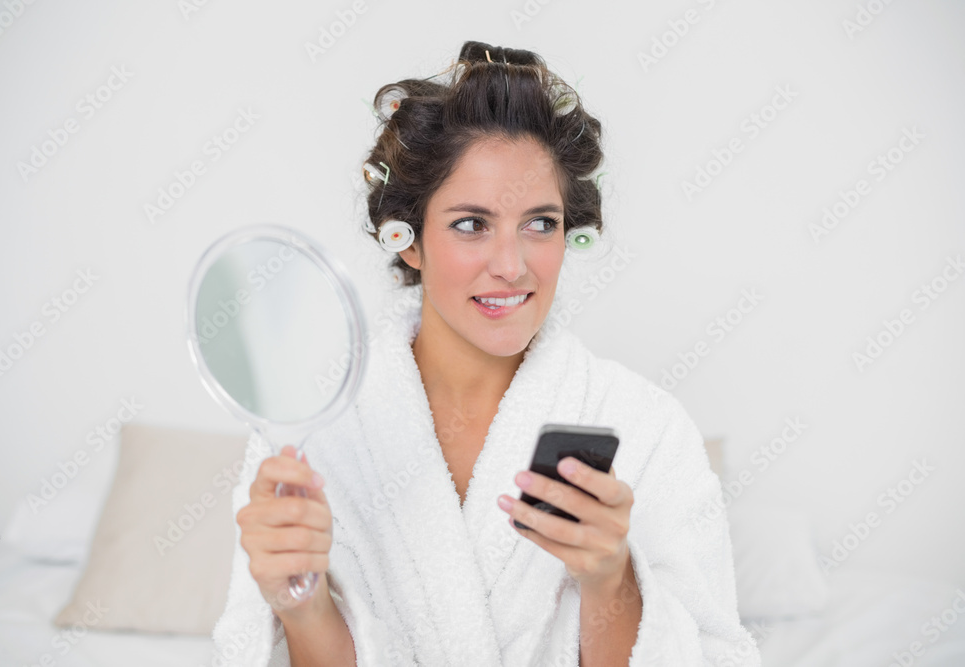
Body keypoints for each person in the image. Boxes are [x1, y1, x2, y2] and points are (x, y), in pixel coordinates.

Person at [212, 40, 760, 667]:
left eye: (540, 223)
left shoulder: (649, 429)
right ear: (407, 239)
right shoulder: (313, 430)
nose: (512, 266)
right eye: (472, 224)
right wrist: (301, 605)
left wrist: (610, 578)